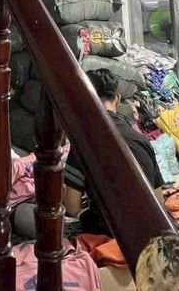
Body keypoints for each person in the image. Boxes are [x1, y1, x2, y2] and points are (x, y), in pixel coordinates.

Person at [62, 69, 165, 235]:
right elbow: (158, 200)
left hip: (108, 232)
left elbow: (72, 206)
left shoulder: (83, 140)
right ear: (117, 98)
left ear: (84, 100)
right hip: (148, 230)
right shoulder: (141, 140)